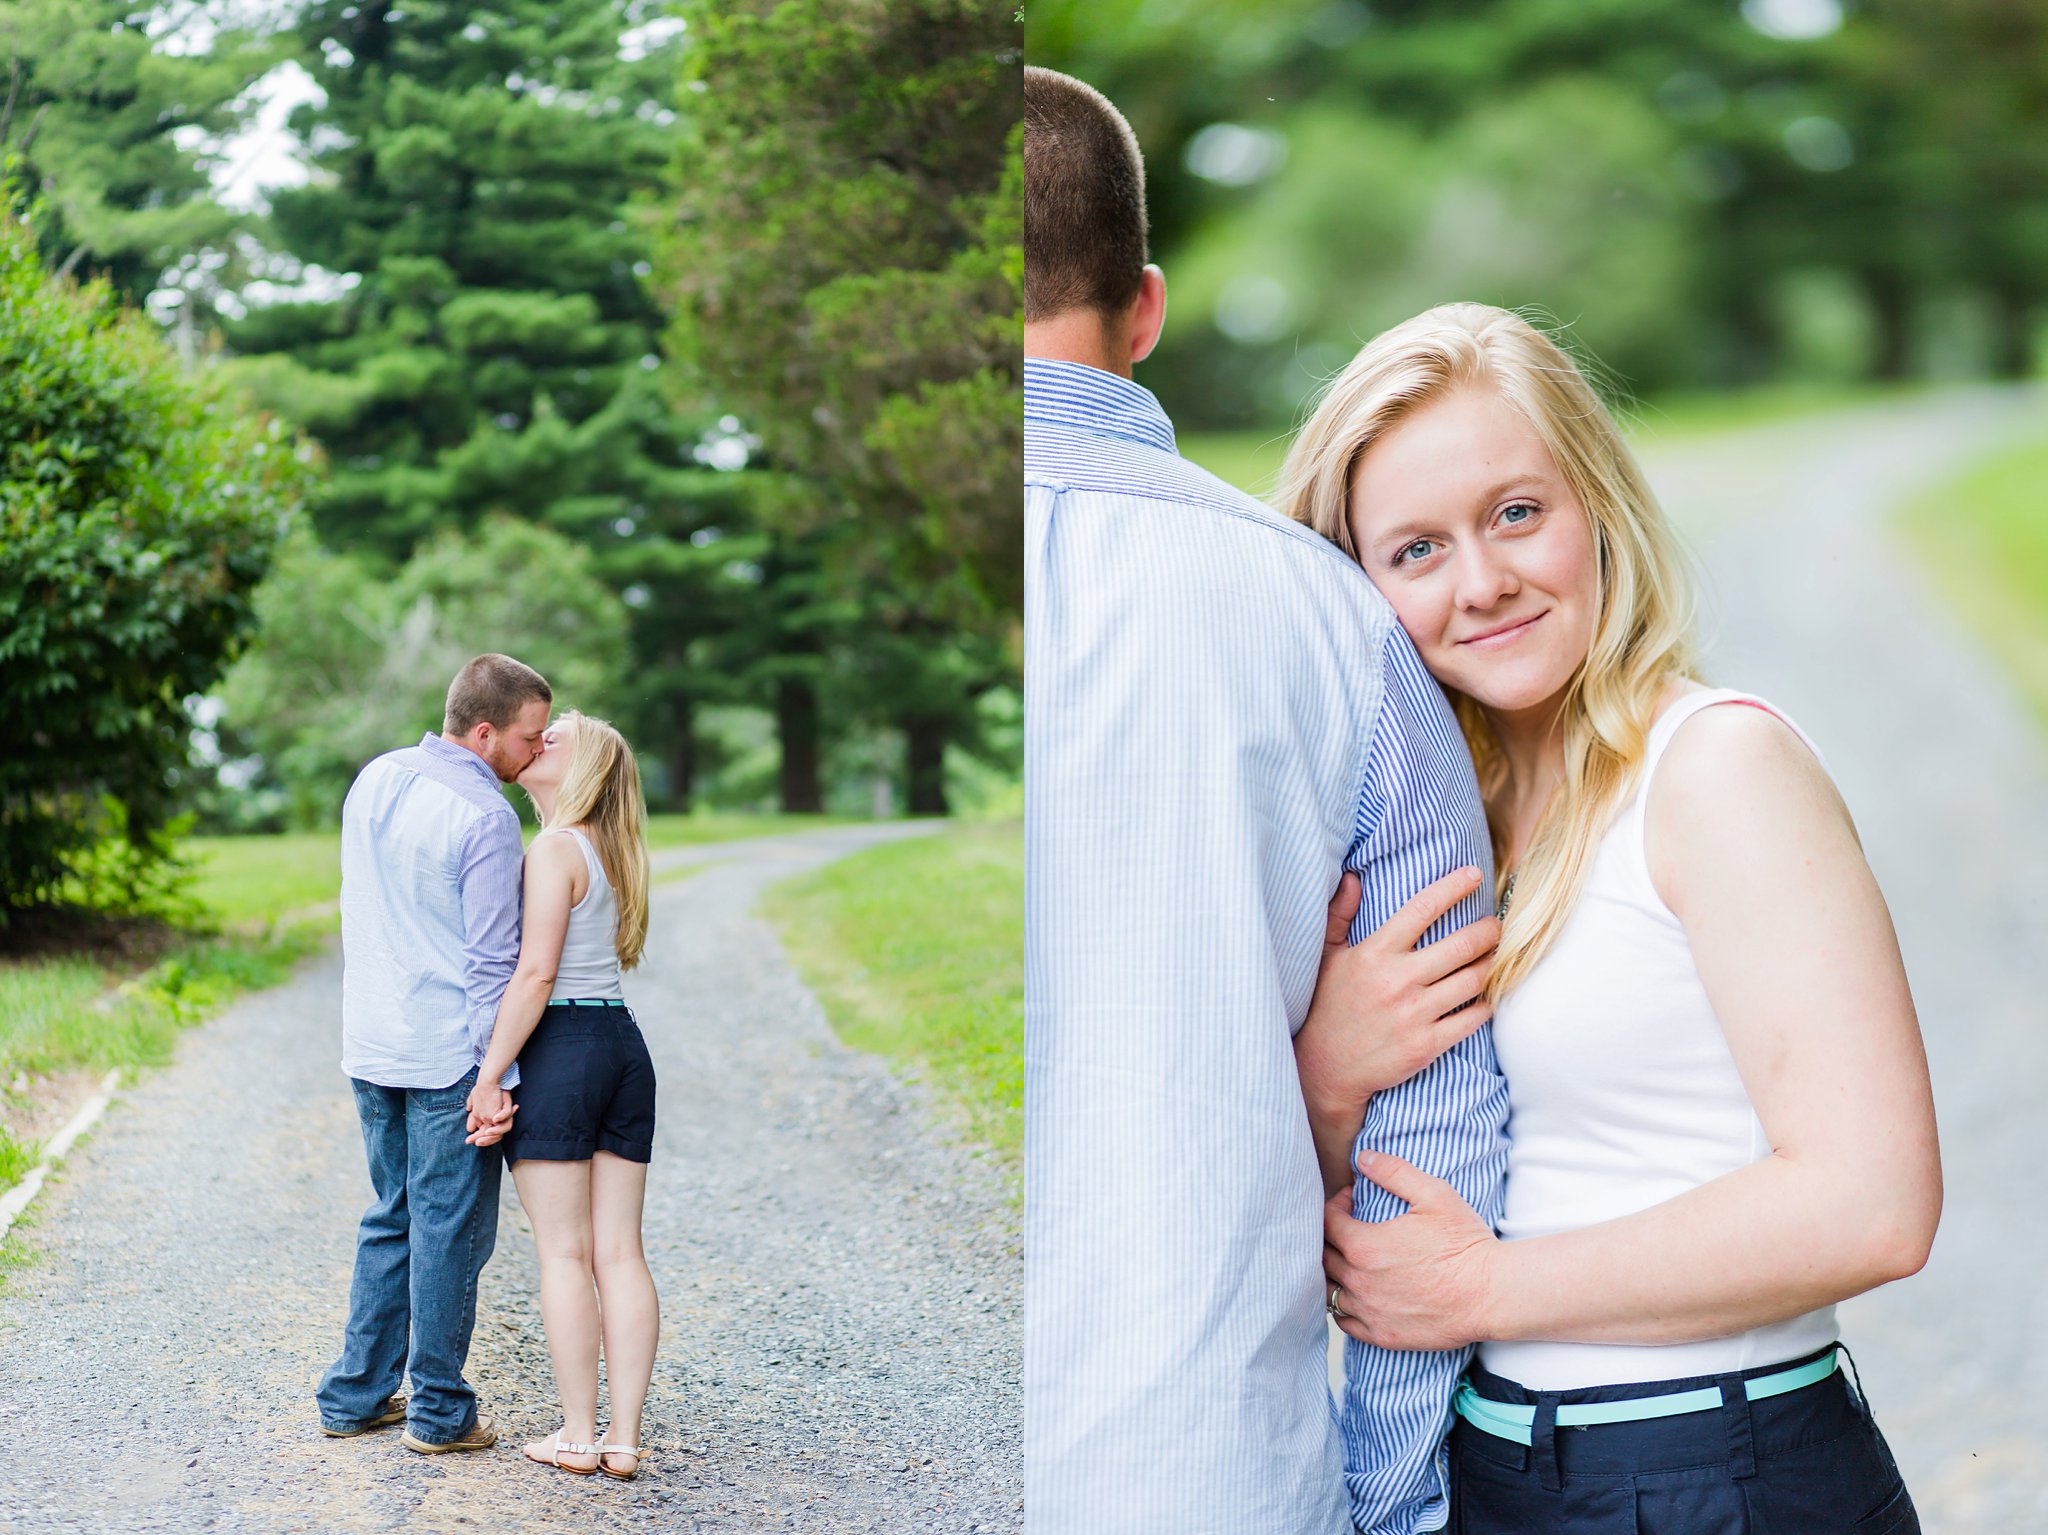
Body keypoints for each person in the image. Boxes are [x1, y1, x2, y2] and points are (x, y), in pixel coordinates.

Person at [1284, 304, 1942, 1532]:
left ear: (1596, 504)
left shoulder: (1714, 769)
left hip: (1713, 1468)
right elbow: (1349, 1222)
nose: (1481, 582)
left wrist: (1485, 1286)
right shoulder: (1442, 825)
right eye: (1414, 549)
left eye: (1515, 513)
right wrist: (1328, 1080)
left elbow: (1872, 1200)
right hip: (1490, 1469)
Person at [1023, 68, 1512, 1535]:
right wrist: (1387, 1494)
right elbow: (1437, 1129)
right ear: (1147, 309)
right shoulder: (1334, 623)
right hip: (1210, 1469)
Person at [316, 652, 549, 1453]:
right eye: (530, 736)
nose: (537, 752)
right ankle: (440, 1411)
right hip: (447, 1052)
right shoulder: (486, 817)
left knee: (392, 1214)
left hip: (372, 1039)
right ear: (484, 733)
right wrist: (498, 1077)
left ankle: (354, 1393)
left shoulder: (373, 777)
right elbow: (492, 967)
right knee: (450, 1229)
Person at [463, 711, 658, 1481]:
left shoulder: (552, 849)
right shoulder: (612, 851)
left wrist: (488, 1075)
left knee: (565, 1253)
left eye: (560, 734)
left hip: (565, 1049)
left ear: (585, 768)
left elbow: (535, 975)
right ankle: (624, 1439)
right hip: (622, 1046)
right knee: (620, 1251)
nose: (542, 737)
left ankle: (578, 1434)